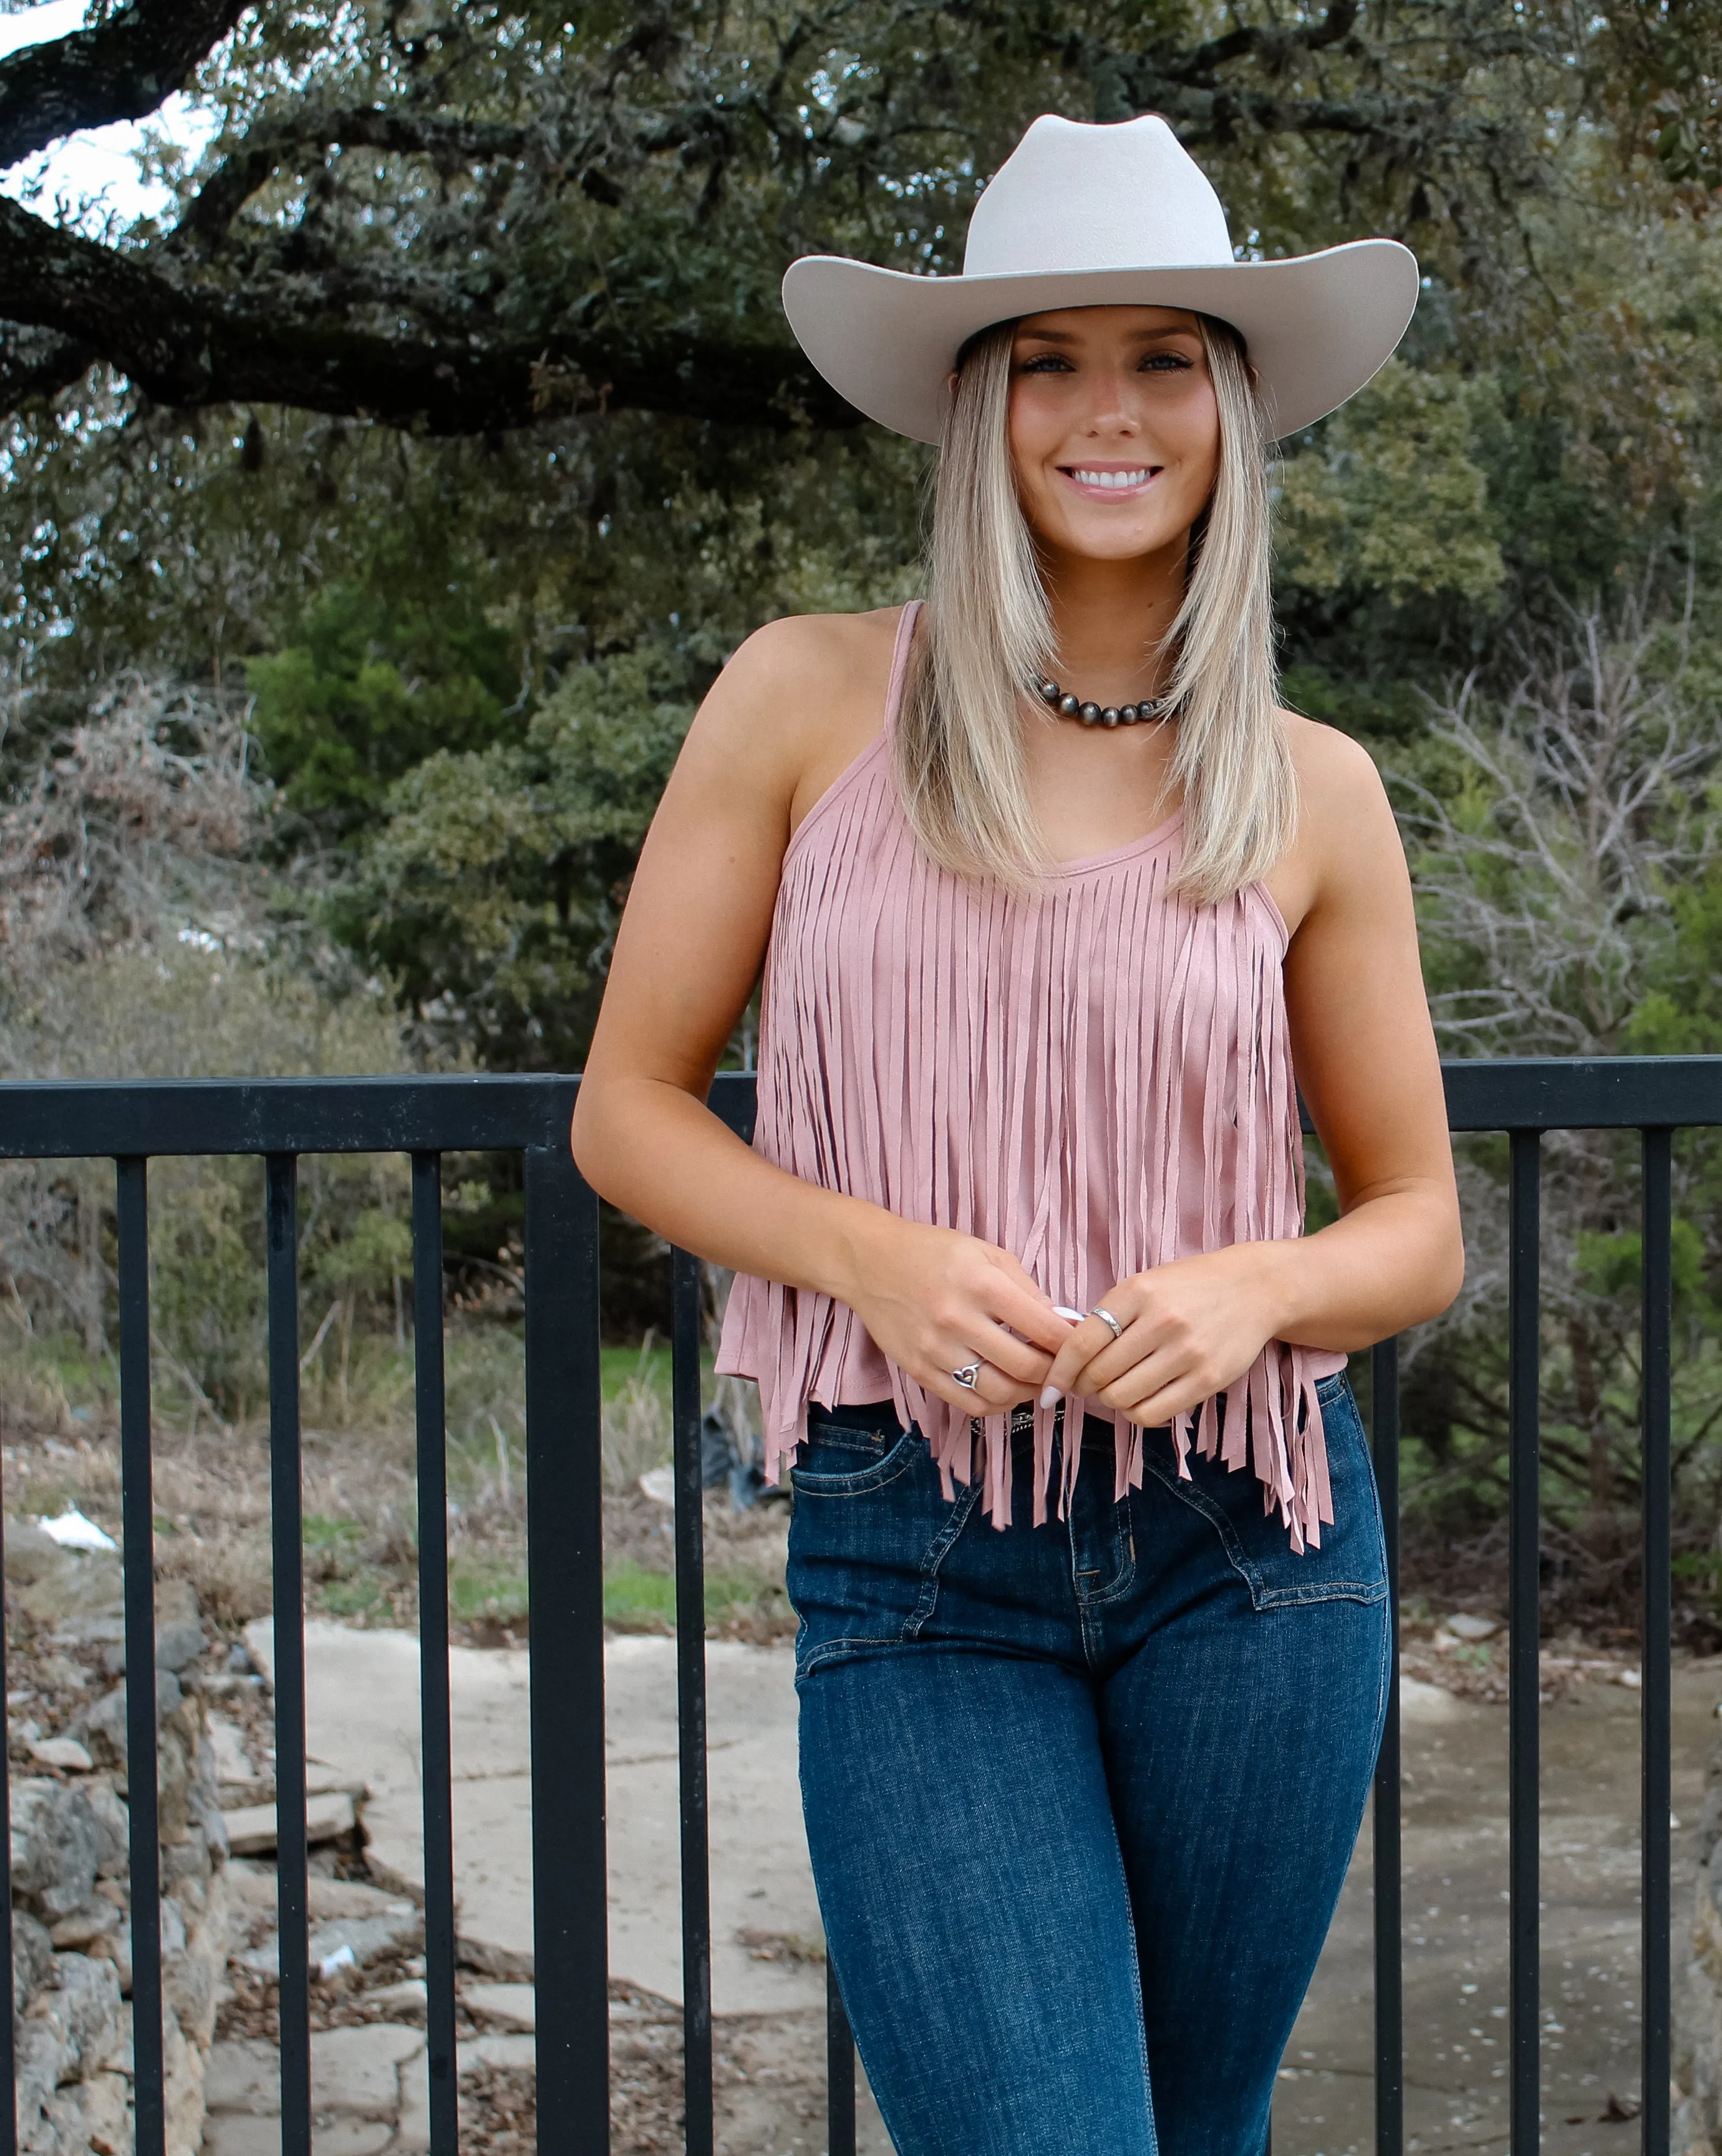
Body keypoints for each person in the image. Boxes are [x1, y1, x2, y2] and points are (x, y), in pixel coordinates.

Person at [573, 110, 1463, 2156]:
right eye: (1048, 360)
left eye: (1164, 358)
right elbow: (625, 1112)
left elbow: (1416, 1224)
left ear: (1233, 411)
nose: (1107, 410)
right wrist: (866, 1255)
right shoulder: (802, 702)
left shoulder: (1315, 787)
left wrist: (1264, 1286)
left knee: (1198, 2128)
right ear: (977, 410)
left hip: (1250, 1552)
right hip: (914, 1551)